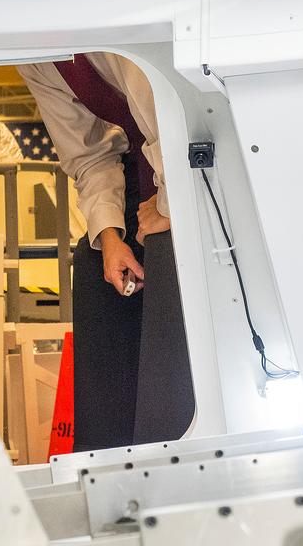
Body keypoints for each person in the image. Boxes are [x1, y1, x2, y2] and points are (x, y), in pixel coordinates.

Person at [17, 52, 193, 449]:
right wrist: (111, 236)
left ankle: (166, 443)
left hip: (194, 165)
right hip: (146, 168)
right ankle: (106, 454)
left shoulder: (116, 26)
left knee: (165, 261)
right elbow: (90, 155)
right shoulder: (34, 59)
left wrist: (169, 207)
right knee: (96, 265)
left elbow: (170, 115)